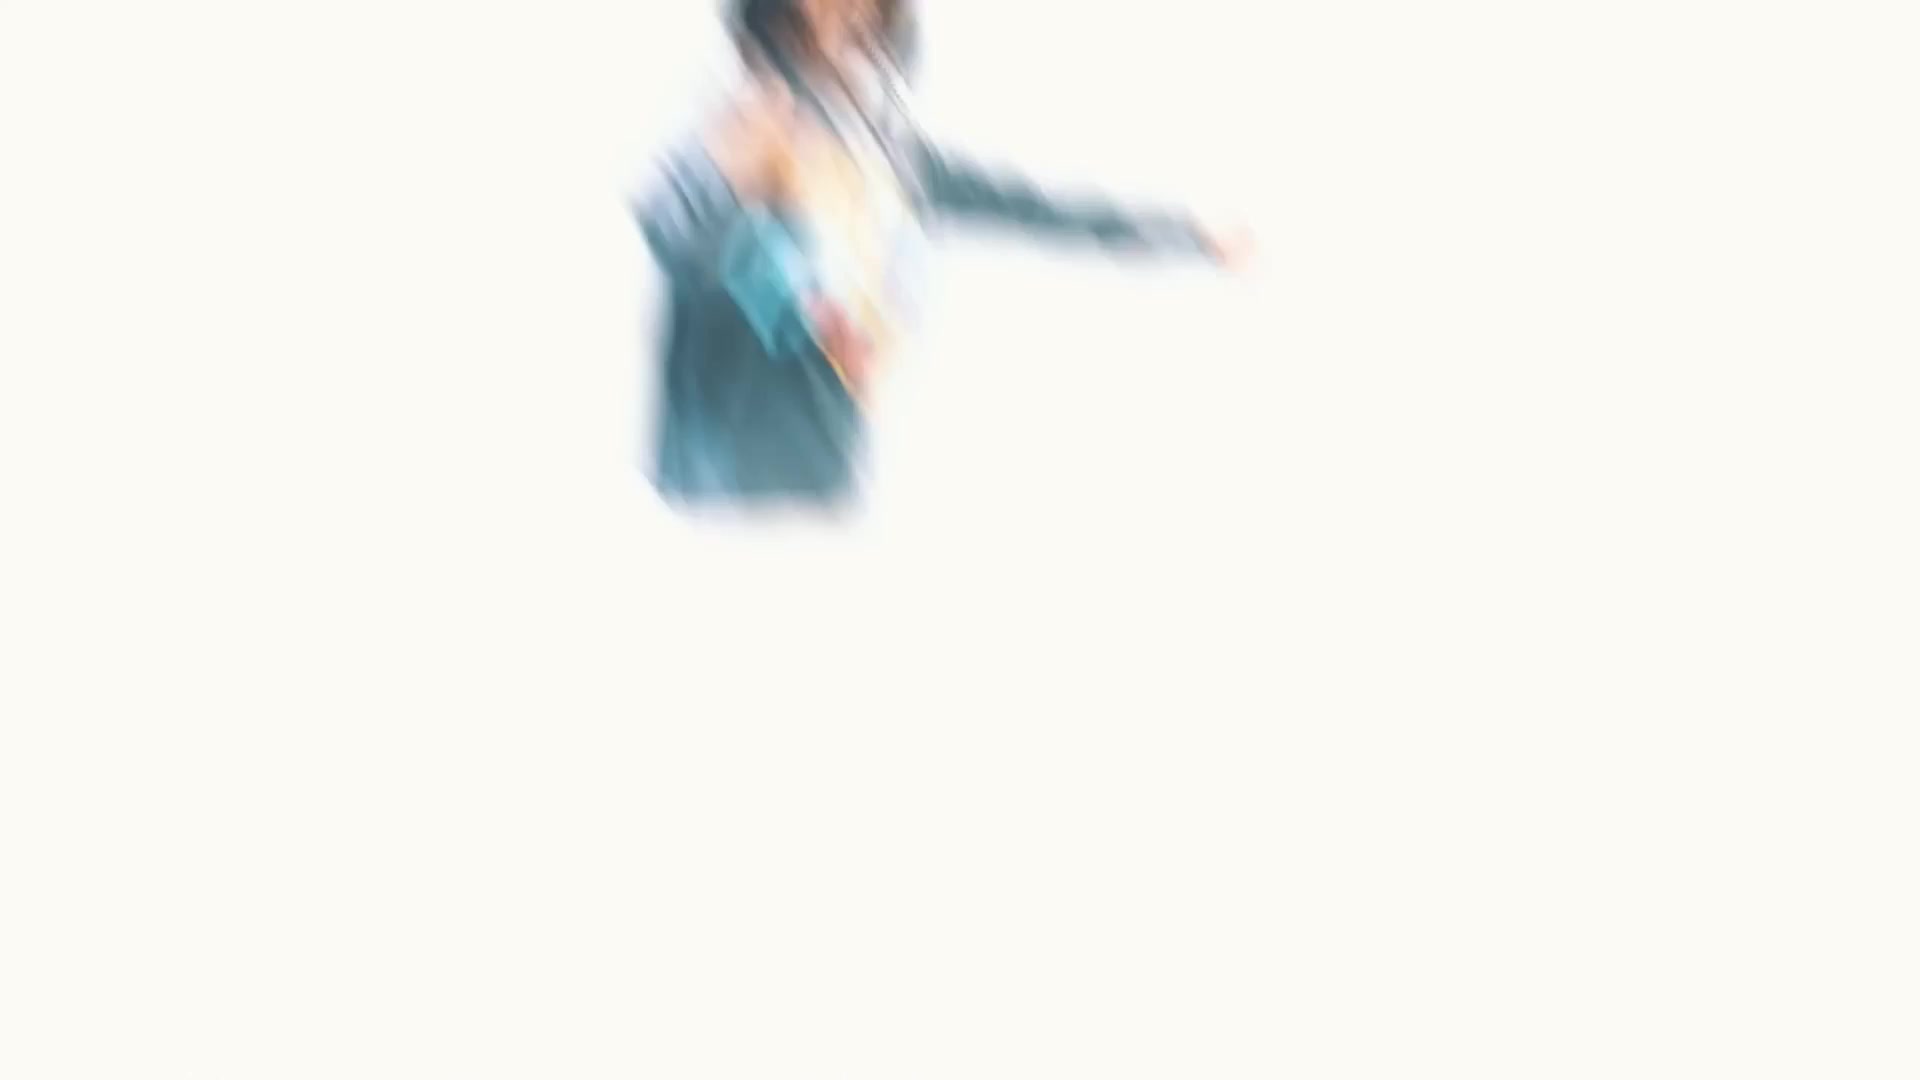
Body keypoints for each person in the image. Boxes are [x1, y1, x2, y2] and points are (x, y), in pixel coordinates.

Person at [632, 0, 1249, 516]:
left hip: (824, 472)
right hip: (715, 484)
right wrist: (725, 178)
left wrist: (1189, 235)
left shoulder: (889, 155)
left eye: (861, 15)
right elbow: (665, 230)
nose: (844, 20)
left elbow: (1041, 209)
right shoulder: (728, 114)